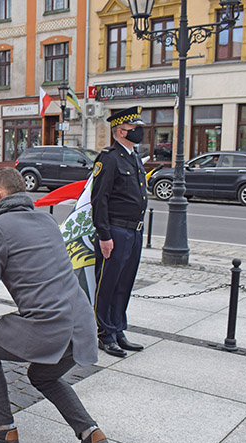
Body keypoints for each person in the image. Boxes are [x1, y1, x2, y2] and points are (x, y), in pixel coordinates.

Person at [0, 168, 108, 443]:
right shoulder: (46, 219)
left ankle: (3, 426)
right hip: (81, 322)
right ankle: (90, 431)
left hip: (49, 323)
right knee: (43, 376)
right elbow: (30, 251)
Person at [91, 106, 148, 358]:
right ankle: (105, 333)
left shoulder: (134, 157)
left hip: (134, 232)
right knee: (108, 284)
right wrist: (104, 235)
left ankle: (118, 329)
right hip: (115, 231)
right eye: (135, 128)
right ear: (121, 131)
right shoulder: (109, 158)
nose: (140, 132)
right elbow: (99, 199)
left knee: (124, 284)